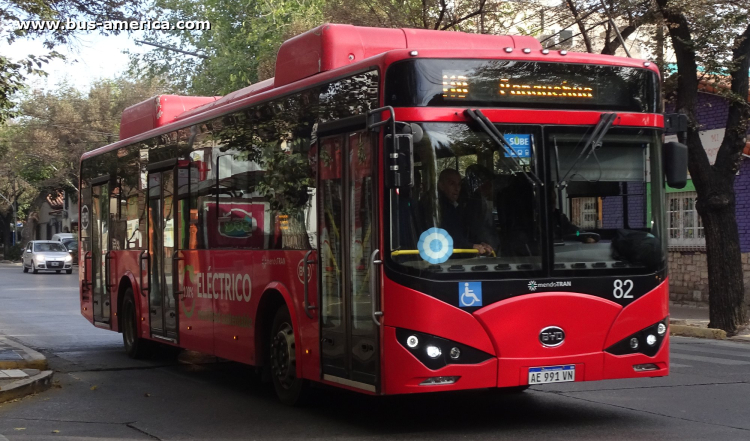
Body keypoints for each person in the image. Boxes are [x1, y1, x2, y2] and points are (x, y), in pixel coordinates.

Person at [436, 168, 494, 256]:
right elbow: (445, 237)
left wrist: (481, 243)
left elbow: (465, 232)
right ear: (441, 185)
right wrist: (470, 246)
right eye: (452, 184)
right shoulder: (438, 208)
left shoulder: (456, 207)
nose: (457, 188)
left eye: (459, 185)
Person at [463, 164, 500, 252]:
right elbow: (478, 228)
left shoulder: (480, 199)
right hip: (485, 249)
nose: (491, 187)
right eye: (488, 182)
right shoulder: (475, 201)